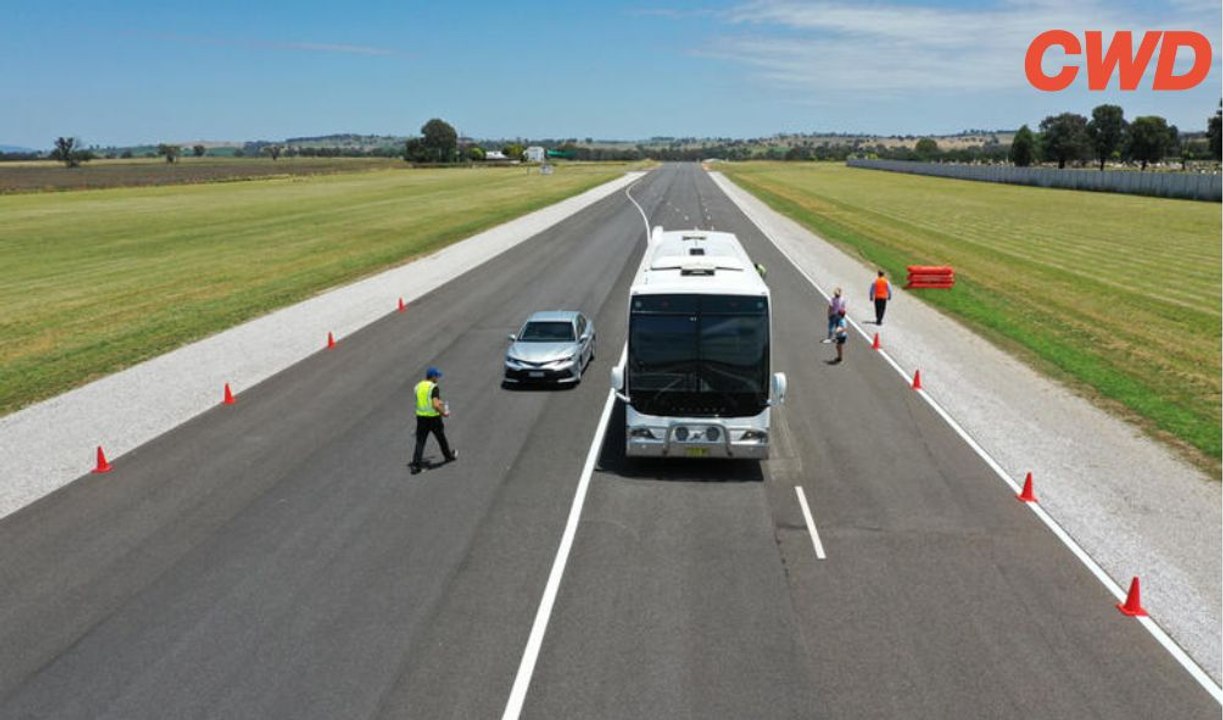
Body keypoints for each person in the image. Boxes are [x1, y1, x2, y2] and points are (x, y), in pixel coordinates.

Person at [410, 366, 456, 474]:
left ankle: (416, 465)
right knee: (441, 438)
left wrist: (438, 402)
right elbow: (435, 405)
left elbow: (423, 400)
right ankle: (448, 456)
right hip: (433, 418)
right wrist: (444, 413)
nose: (437, 379)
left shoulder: (418, 386)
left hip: (421, 417)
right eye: (437, 376)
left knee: (420, 441)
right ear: (433, 377)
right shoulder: (433, 387)